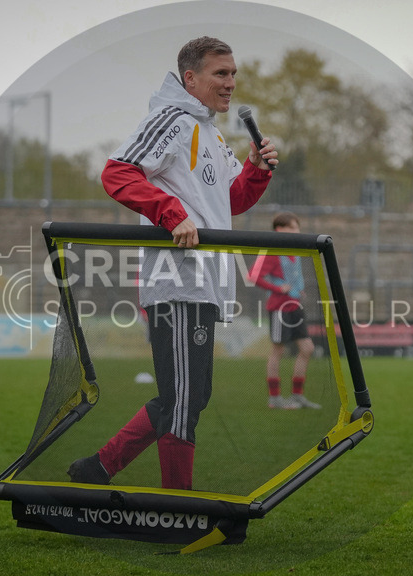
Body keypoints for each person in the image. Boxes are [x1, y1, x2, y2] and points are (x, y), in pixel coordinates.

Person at [67, 36, 278, 489]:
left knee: (190, 396)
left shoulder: (212, 133)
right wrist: (172, 212)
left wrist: (255, 168)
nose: (231, 83)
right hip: (177, 281)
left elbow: (230, 201)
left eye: (233, 73)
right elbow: (118, 172)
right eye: (221, 74)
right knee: (183, 399)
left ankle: (97, 469)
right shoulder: (172, 120)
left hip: (204, 283)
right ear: (191, 78)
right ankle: (176, 505)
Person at [248, 212, 320, 410]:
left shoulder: (294, 251)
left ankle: (297, 396)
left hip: (295, 306)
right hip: (279, 308)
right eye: (293, 228)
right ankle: (275, 398)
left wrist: (298, 289)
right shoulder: (271, 252)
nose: (297, 232)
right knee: (278, 350)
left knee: (307, 349)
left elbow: (291, 277)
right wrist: (278, 289)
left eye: (298, 228)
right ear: (280, 230)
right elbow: (253, 275)